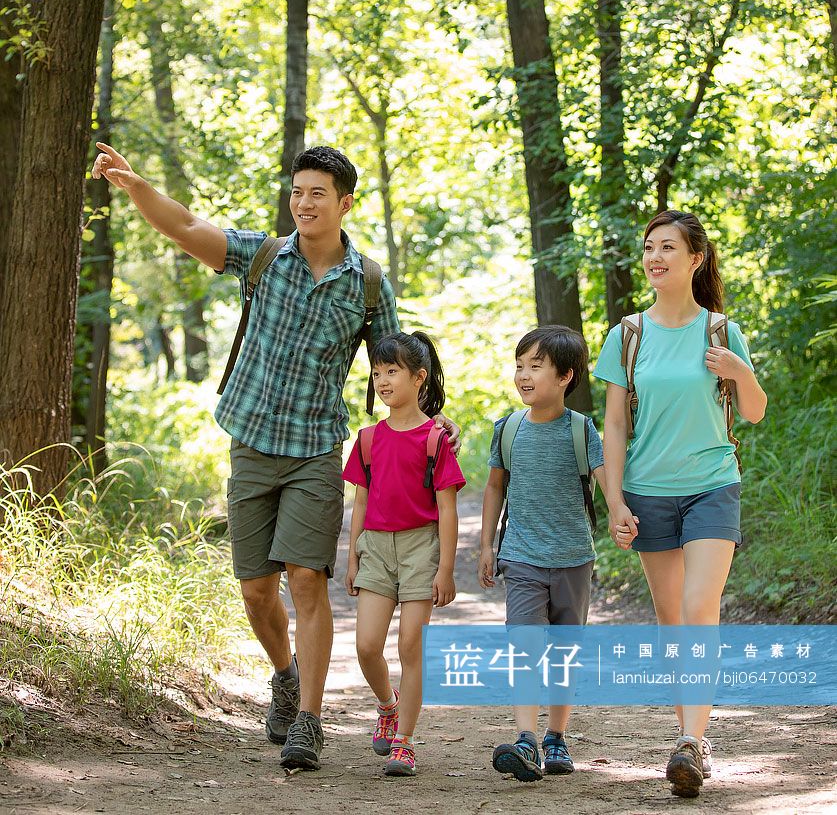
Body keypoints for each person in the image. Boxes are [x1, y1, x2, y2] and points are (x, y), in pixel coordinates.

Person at [91, 142, 459, 772]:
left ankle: (309, 722)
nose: (304, 203)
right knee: (257, 591)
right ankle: (285, 676)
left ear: (344, 204)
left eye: (318, 193)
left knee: (304, 578)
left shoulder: (368, 283)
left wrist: (430, 420)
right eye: (297, 192)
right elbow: (184, 225)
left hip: (316, 449)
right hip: (252, 442)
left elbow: (392, 364)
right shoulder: (263, 256)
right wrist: (135, 186)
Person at [594, 210, 767, 799]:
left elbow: (754, 411)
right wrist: (614, 499)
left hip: (712, 483)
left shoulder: (721, 331)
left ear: (695, 259)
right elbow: (613, 424)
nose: (654, 257)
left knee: (700, 605)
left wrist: (741, 371)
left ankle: (693, 742)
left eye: (667, 247)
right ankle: (688, 732)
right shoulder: (628, 334)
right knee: (673, 621)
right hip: (648, 490)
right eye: (648, 248)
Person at [478, 326, 607, 782]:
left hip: (573, 556)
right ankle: (526, 739)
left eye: (536, 366)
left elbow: (603, 474)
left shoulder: (581, 429)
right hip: (522, 556)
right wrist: (486, 545)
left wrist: (624, 512)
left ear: (566, 376)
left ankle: (556, 736)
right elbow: (495, 487)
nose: (523, 375)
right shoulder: (508, 429)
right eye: (519, 365)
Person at [343, 331, 465, 778]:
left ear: (419, 378)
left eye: (392, 371)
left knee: (411, 645)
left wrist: (446, 569)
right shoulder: (369, 437)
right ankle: (387, 705)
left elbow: (448, 508)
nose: (382, 381)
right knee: (366, 645)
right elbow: (359, 499)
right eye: (377, 372)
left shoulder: (436, 438)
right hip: (375, 547)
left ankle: (406, 742)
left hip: (420, 549)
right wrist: (354, 555)